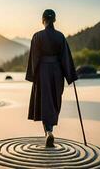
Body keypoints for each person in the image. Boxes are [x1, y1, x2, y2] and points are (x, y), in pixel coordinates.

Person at [25, 9, 78, 147]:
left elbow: (34, 58)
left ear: (43, 20)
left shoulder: (37, 36)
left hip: (42, 71)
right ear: (54, 20)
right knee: (54, 101)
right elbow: (65, 57)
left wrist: (33, 75)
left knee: (44, 101)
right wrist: (70, 74)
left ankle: (48, 132)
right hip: (57, 73)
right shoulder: (60, 36)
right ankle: (49, 130)